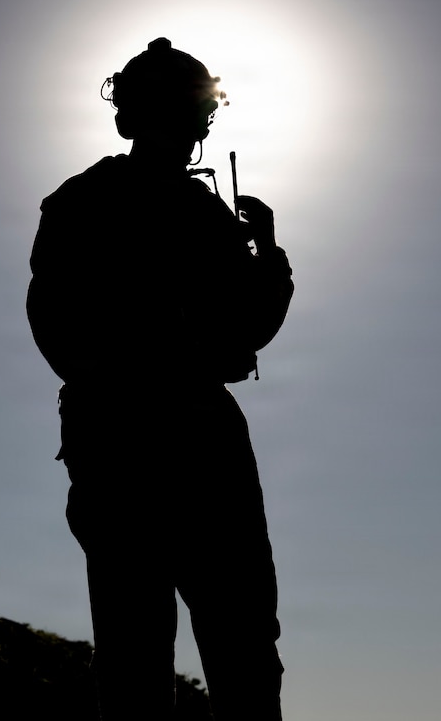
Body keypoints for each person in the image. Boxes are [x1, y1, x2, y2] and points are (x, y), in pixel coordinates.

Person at [26, 37, 294, 721]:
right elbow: (253, 325)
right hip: (179, 431)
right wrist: (268, 255)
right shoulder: (186, 211)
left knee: (139, 645)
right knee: (232, 643)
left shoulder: (82, 201)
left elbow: (52, 322)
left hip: (121, 434)